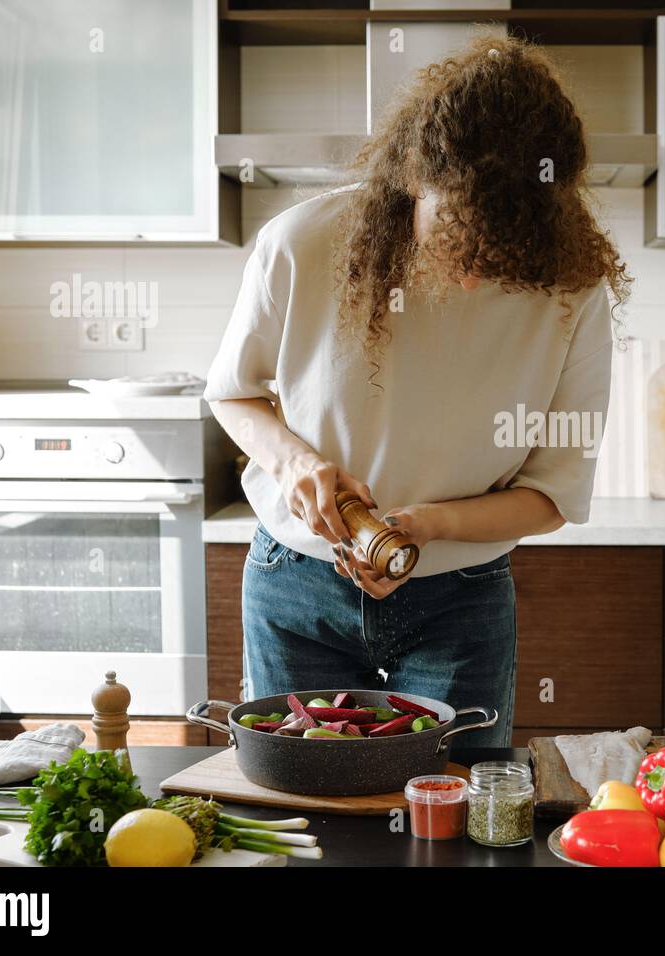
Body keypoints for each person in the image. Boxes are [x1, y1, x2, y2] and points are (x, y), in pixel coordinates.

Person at [203, 33, 630, 746]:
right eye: (454, 232)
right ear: (414, 178)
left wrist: (426, 527)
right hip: (296, 588)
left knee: (452, 823)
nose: (468, 273)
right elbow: (233, 394)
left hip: (460, 603)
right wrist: (294, 464)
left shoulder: (572, 292)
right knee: (304, 824)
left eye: (497, 247)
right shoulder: (300, 244)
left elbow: (552, 498)